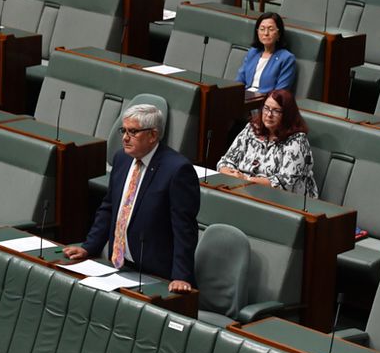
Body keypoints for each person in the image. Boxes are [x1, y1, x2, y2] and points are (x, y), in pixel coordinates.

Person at [63, 104, 199, 293]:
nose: (125, 138)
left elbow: (184, 229)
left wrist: (180, 277)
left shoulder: (177, 170)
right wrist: (89, 247)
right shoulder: (122, 159)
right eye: (123, 130)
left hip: (157, 274)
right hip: (120, 266)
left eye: (133, 132)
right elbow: (109, 207)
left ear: (153, 135)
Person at [217, 89, 319, 197]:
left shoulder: (297, 141)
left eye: (276, 111)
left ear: (287, 114)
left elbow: (284, 183)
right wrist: (229, 173)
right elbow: (227, 160)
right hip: (243, 190)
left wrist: (246, 180)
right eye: (266, 108)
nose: (269, 114)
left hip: (284, 200)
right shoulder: (252, 129)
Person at [235, 12, 297, 94]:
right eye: (262, 29)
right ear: (257, 32)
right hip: (244, 97)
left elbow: (280, 92)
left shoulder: (287, 58)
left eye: (271, 29)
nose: (266, 33)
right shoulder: (252, 52)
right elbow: (240, 80)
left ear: (279, 33)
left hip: (265, 101)